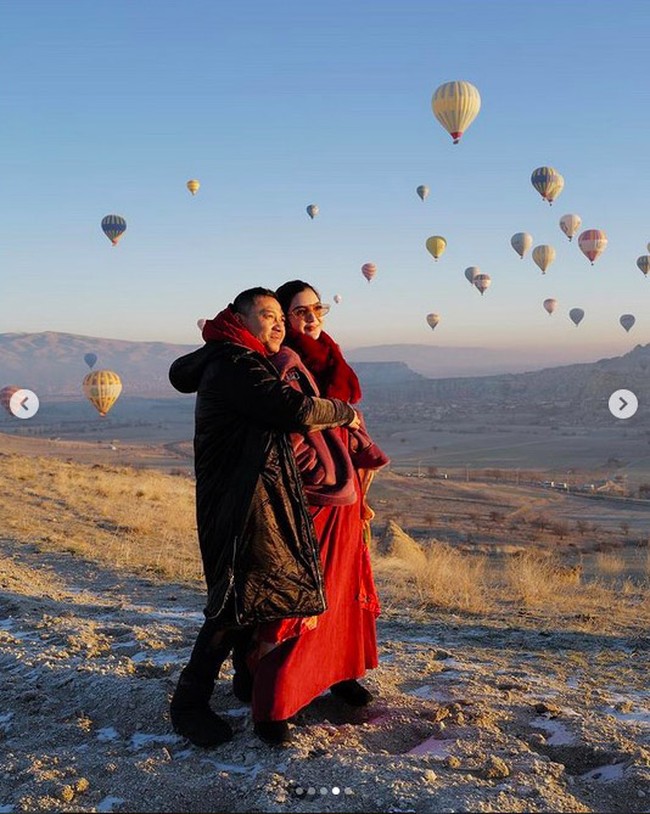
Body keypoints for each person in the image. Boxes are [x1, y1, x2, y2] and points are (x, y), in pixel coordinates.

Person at [167, 287, 361, 748]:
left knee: (253, 596)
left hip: (251, 494)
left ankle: (246, 681)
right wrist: (344, 413)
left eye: (281, 317)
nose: (278, 324)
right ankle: (189, 703)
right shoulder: (237, 363)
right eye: (268, 315)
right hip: (238, 500)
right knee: (232, 601)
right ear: (240, 318)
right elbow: (292, 410)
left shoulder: (237, 358)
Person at [247, 280, 389, 744]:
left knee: (344, 592)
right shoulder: (281, 361)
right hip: (310, 498)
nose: (313, 317)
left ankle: (337, 672)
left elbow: (347, 418)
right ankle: (274, 701)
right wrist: (318, 473)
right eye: (300, 310)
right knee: (301, 598)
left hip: (345, 498)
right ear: (282, 319)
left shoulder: (329, 357)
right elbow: (286, 430)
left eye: (318, 308)